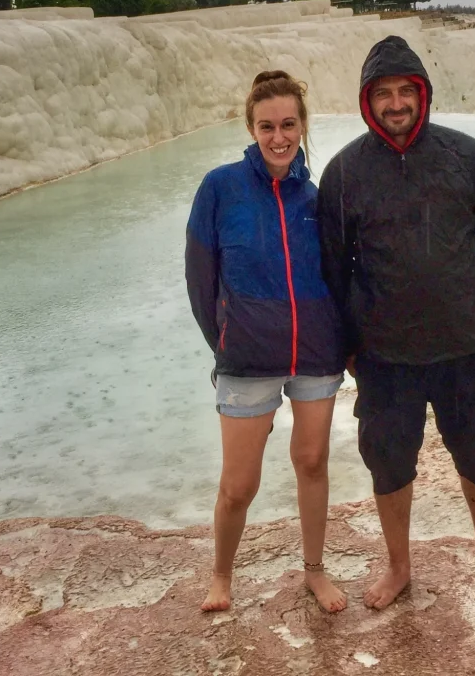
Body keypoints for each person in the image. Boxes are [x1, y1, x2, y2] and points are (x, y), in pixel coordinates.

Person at [317, 35, 475, 609]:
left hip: (464, 346)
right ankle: (398, 567)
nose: (396, 104)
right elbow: (333, 267)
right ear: (369, 101)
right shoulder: (344, 173)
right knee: (389, 464)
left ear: (422, 93)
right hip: (384, 357)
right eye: (383, 94)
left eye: (404, 91)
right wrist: (345, 345)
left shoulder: (467, 157)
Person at [185, 71, 348, 613]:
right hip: (247, 361)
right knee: (238, 484)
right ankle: (221, 577)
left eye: (288, 125)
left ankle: (314, 571)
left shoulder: (314, 196)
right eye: (267, 126)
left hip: (316, 357)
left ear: (302, 125)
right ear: (251, 128)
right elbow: (199, 280)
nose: (279, 137)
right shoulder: (219, 188)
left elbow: (335, 275)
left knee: (312, 462)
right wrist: (228, 342)